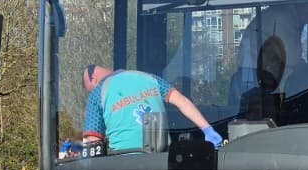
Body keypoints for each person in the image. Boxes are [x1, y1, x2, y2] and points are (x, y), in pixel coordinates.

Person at [81, 65, 223, 153]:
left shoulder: (96, 94)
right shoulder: (149, 78)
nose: (91, 91)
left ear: (94, 79)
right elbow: (182, 101)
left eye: (89, 89)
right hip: (160, 163)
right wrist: (208, 129)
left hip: (122, 169)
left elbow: (93, 145)